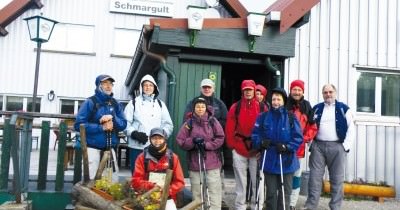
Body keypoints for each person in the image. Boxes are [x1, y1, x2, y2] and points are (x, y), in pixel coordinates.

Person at [303, 84, 355, 210]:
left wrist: (345, 147)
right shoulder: (316, 108)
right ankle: (311, 206)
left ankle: (335, 207)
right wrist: (311, 144)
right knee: (314, 178)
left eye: (330, 92)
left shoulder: (344, 109)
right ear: (322, 94)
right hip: (318, 147)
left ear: (335, 93)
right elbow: (308, 127)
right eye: (325, 92)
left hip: (337, 147)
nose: (328, 94)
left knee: (337, 180)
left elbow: (351, 129)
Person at [251, 87, 303, 210]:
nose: (276, 102)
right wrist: (261, 142)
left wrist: (287, 147)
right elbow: (255, 134)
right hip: (269, 158)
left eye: (278, 99)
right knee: (271, 193)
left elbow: (298, 137)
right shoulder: (263, 116)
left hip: (287, 160)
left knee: (285, 192)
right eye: (274, 99)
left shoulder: (291, 117)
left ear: (284, 101)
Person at [183, 78, 229, 208]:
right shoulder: (192, 103)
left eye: (209, 87)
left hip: (214, 151)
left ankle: (219, 202)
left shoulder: (219, 104)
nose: (207, 89)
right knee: (198, 184)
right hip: (195, 152)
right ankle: (200, 205)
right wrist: (193, 141)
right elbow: (185, 124)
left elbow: (225, 123)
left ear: (213, 88)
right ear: (201, 88)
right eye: (204, 87)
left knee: (215, 181)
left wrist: (211, 139)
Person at [74, 74, 127, 179]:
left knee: (110, 184)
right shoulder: (90, 102)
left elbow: (123, 125)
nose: (108, 86)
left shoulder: (116, 104)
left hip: (110, 150)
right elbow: (78, 125)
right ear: (99, 85)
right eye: (105, 83)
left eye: (110, 84)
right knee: (90, 182)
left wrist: (112, 118)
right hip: (92, 149)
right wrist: (101, 127)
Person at [176, 97, 225, 210]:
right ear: (194, 108)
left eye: (202, 106)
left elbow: (220, 138)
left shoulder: (212, 121)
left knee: (214, 192)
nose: (200, 109)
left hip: (212, 163)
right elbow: (180, 140)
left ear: (206, 108)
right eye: (198, 106)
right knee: (197, 193)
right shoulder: (189, 123)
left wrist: (206, 145)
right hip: (195, 163)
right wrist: (192, 142)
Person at [225, 80, 267, 210]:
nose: (248, 92)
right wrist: (232, 146)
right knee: (241, 182)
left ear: (255, 91)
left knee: (258, 180)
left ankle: (257, 206)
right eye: (246, 90)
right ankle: (240, 206)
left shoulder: (262, 107)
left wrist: (262, 147)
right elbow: (229, 128)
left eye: (250, 90)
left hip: (256, 149)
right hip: (239, 148)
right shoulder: (235, 107)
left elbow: (266, 127)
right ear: (242, 91)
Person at [124, 74, 173, 173]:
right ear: (141, 87)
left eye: (150, 85)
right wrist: (134, 133)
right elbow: (125, 123)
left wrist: (161, 136)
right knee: (137, 174)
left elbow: (168, 125)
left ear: (155, 87)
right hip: (137, 146)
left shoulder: (160, 104)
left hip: (156, 147)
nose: (148, 87)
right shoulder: (133, 103)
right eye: (145, 85)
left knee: (154, 175)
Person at [286, 80, 318, 210]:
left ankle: (292, 203)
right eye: (295, 89)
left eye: (299, 90)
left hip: (298, 149)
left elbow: (313, 126)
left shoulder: (307, 106)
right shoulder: (284, 104)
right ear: (291, 90)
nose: (297, 92)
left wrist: (304, 138)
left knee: (296, 176)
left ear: (303, 91)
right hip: (283, 147)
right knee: (283, 175)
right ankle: (283, 200)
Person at [131, 127, 185, 203]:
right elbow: (135, 181)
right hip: (146, 197)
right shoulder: (142, 157)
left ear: (165, 139)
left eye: (160, 138)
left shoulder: (173, 158)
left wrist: (166, 190)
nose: (157, 141)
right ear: (150, 139)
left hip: (168, 197)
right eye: (154, 138)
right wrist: (152, 186)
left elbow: (180, 182)